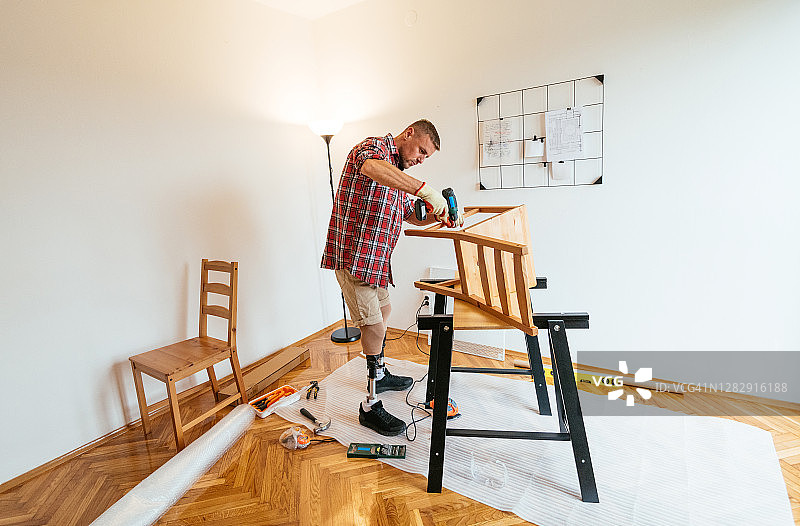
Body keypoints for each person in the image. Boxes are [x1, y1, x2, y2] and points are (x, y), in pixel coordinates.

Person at [321, 119, 463, 436]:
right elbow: (372, 168)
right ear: (409, 133)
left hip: (376, 261)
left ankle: (380, 375)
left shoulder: (400, 177)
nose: (421, 159)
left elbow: (410, 214)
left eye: (427, 158)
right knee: (373, 325)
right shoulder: (372, 148)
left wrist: (438, 215)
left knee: (383, 314)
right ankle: (369, 406)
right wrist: (423, 188)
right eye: (421, 151)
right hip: (353, 256)